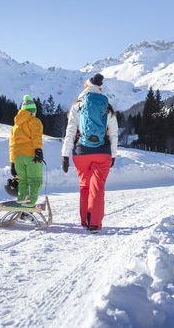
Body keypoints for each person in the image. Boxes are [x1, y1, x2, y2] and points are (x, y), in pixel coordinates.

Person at [61, 73, 118, 232]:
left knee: (85, 186)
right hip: (102, 152)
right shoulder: (107, 106)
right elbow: (113, 133)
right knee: (97, 187)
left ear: (86, 87)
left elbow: (70, 131)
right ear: (99, 88)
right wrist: (113, 154)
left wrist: (65, 154)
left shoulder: (77, 105)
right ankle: (94, 222)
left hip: (81, 152)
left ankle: (85, 220)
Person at [9, 95, 44, 206]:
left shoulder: (15, 126)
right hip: (31, 156)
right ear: (33, 111)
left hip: (18, 158)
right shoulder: (34, 121)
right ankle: (29, 204)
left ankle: (22, 201)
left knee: (23, 181)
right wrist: (38, 150)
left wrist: (12, 162)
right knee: (35, 181)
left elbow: (12, 145)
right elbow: (36, 137)